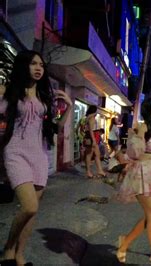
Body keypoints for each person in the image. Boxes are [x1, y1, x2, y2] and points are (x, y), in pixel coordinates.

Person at [1, 50, 72, 265]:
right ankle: (8, 250)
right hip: (16, 153)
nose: (38, 68)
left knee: (33, 213)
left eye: (41, 64)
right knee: (29, 206)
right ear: (24, 66)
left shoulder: (43, 98)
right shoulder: (9, 91)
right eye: (33, 64)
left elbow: (57, 128)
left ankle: (19, 255)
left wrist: (68, 107)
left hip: (39, 155)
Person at [116, 98, 151, 265]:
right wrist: (136, 136)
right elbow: (134, 151)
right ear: (148, 110)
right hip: (140, 174)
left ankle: (124, 243)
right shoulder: (144, 126)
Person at [81, 105, 107, 179]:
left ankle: (99, 170)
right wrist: (94, 140)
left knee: (96, 154)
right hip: (91, 138)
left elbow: (84, 128)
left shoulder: (88, 117)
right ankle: (89, 172)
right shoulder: (91, 118)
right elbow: (91, 130)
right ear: (95, 111)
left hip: (89, 137)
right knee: (90, 155)